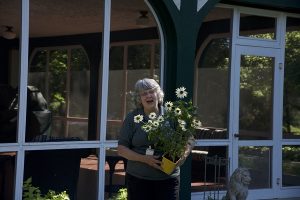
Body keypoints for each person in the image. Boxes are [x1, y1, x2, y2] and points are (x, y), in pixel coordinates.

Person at [118, 78, 194, 200]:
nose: (148, 95)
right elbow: (121, 149)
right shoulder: (132, 118)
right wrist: (144, 159)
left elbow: (189, 138)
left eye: (151, 91)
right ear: (139, 98)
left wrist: (183, 155)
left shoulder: (172, 115)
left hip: (168, 180)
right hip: (138, 180)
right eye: (144, 93)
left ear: (158, 94)